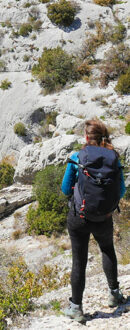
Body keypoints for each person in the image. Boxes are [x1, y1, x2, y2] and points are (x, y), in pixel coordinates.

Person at [61, 119, 126, 323]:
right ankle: (114, 294)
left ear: (86, 138)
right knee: (107, 250)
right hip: (104, 217)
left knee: (79, 260)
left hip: (79, 216)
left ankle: (76, 308)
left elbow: (65, 189)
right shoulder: (114, 158)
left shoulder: (77, 157)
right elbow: (121, 190)